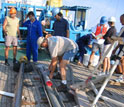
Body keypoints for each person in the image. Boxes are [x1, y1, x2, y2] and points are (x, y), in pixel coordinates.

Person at [114, 14, 124, 82]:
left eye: (121, 20)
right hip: (121, 47)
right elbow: (120, 40)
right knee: (121, 62)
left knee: (122, 62)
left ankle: (122, 76)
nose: (120, 22)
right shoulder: (122, 28)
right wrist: (115, 48)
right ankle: (122, 75)